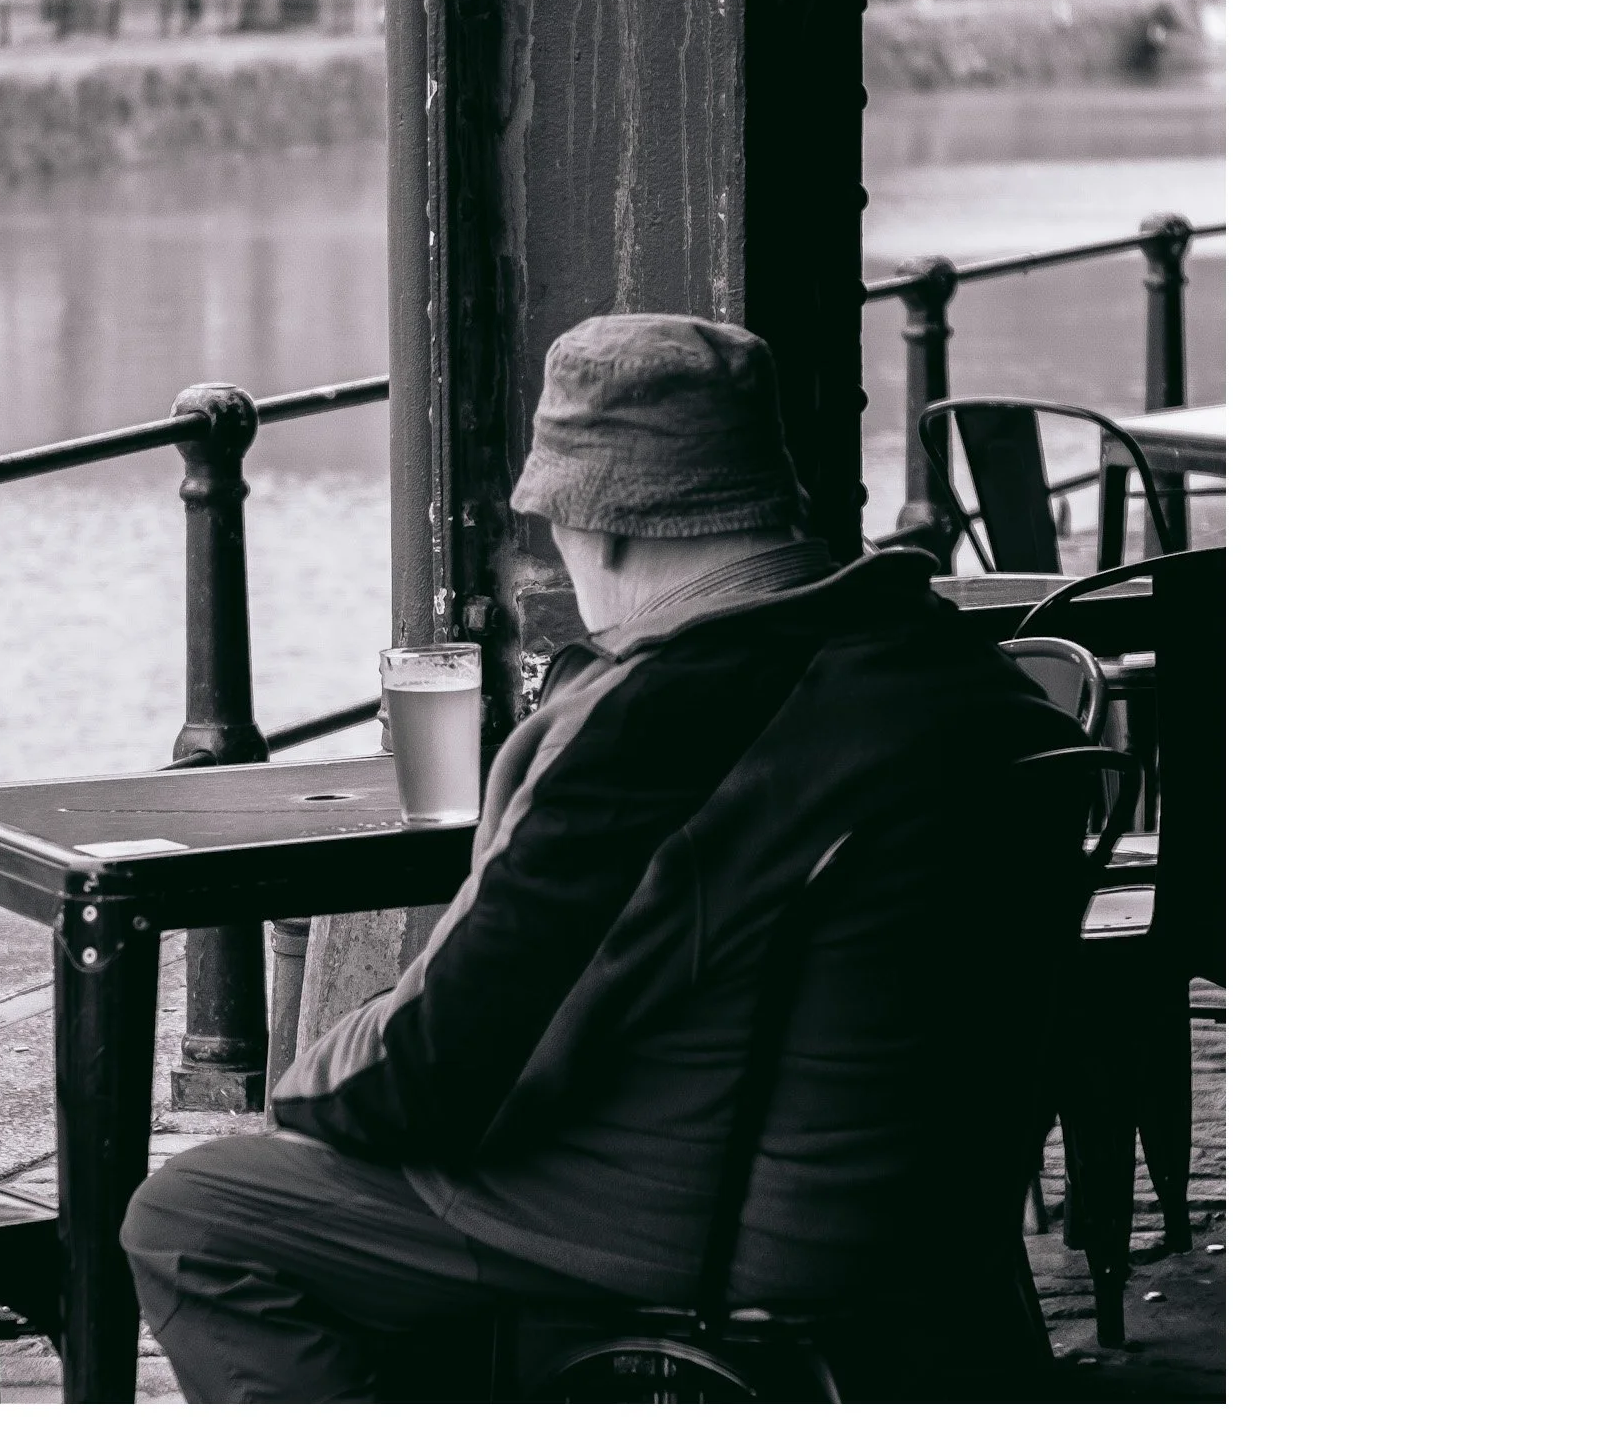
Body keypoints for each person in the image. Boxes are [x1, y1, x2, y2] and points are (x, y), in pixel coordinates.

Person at [123, 312, 1084, 1401]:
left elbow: (433, 1070)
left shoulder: (654, 721)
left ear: (604, 522)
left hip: (726, 1227)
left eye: (552, 524)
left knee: (197, 1213)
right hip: (930, 1218)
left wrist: (311, 1078)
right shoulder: (965, 675)